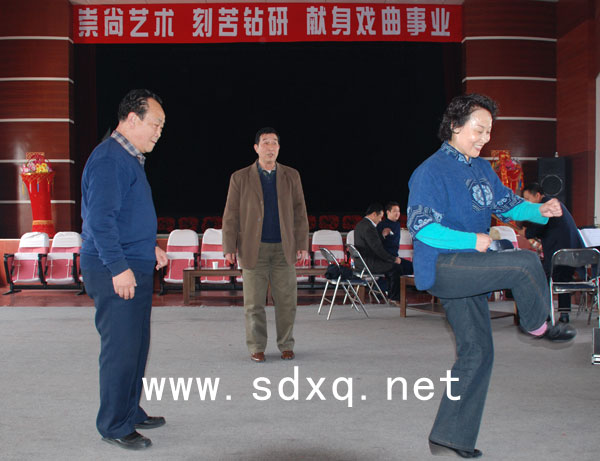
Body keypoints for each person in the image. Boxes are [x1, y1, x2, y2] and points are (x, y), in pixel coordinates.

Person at [407, 93, 576, 458]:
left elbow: (507, 204)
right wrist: (473, 239)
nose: (485, 138)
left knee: (478, 352)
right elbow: (422, 227)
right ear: (455, 126)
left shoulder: (482, 169)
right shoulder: (429, 172)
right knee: (524, 263)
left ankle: (450, 437)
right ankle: (537, 326)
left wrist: (540, 210)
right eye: (479, 130)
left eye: (489, 131)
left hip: (471, 269)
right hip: (444, 266)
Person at [80, 89, 168, 450]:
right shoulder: (109, 159)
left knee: (136, 346)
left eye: (162, 126)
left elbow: (126, 217)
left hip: (133, 261)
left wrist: (149, 247)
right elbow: (100, 221)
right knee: (121, 348)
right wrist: (118, 267)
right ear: (132, 119)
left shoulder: (129, 159)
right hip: (114, 268)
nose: (159, 132)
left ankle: (130, 410)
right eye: (156, 124)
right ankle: (114, 424)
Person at [222, 127, 309, 363]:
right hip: (253, 249)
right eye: (265, 142)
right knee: (253, 303)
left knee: (287, 302)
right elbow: (231, 214)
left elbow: (300, 211)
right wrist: (229, 246)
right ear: (256, 148)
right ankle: (256, 346)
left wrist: (302, 242)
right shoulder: (240, 177)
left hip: (284, 249)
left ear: (279, 147)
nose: (270, 147)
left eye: (274, 143)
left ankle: (286, 345)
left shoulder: (292, 175)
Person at [519, 182, 584, 323]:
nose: (527, 202)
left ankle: (545, 313)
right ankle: (564, 314)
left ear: (537, 195)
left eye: (528, 199)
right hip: (573, 250)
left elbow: (535, 230)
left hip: (558, 252)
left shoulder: (545, 207)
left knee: (541, 278)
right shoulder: (554, 203)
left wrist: (526, 232)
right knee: (563, 279)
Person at [353, 203, 413, 304]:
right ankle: (394, 297)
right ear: (374, 214)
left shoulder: (361, 224)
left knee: (395, 266)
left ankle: (389, 293)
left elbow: (373, 244)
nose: (380, 220)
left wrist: (382, 236)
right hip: (369, 263)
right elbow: (378, 249)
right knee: (395, 267)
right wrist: (393, 259)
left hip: (362, 262)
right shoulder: (369, 228)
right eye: (380, 217)